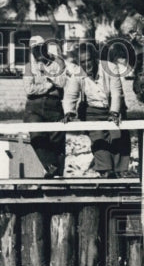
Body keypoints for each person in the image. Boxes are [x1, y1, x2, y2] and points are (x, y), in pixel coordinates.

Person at [62, 41, 129, 177]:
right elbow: (70, 95)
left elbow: (117, 92)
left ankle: (120, 172)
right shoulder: (77, 73)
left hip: (112, 107)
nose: (87, 65)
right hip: (93, 111)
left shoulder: (109, 67)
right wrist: (69, 112)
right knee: (99, 140)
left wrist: (114, 112)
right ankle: (105, 171)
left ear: (95, 59)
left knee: (118, 138)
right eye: (82, 62)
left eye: (88, 60)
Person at [22, 35, 68, 178]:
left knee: (57, 139)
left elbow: (61, 83)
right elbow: (29, 89)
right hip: (34, 106)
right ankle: (51, 166)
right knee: (36, 135)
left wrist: (46, 83)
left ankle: (58, 174)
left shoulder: (58, 62)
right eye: (35, 49)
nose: (38, 52)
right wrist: (49, 84)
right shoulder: (29, 66)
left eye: (41, 48)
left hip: (54, 104)